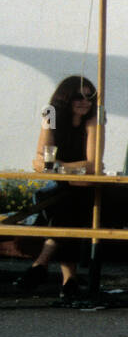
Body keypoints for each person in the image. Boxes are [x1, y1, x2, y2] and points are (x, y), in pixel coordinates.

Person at [12, 76, 99, 301]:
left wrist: (59, 166)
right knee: (68, 203)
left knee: (68, 202)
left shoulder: (94, 118)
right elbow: (40, 158)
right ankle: (68, 280)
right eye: (79, 96)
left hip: (90, 189)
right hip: (66, 189)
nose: (85, 102)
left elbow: (93, 165)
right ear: (66, 97)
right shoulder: (50, 113)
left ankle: (41, 265)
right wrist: (69, 167)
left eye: (90, 96)